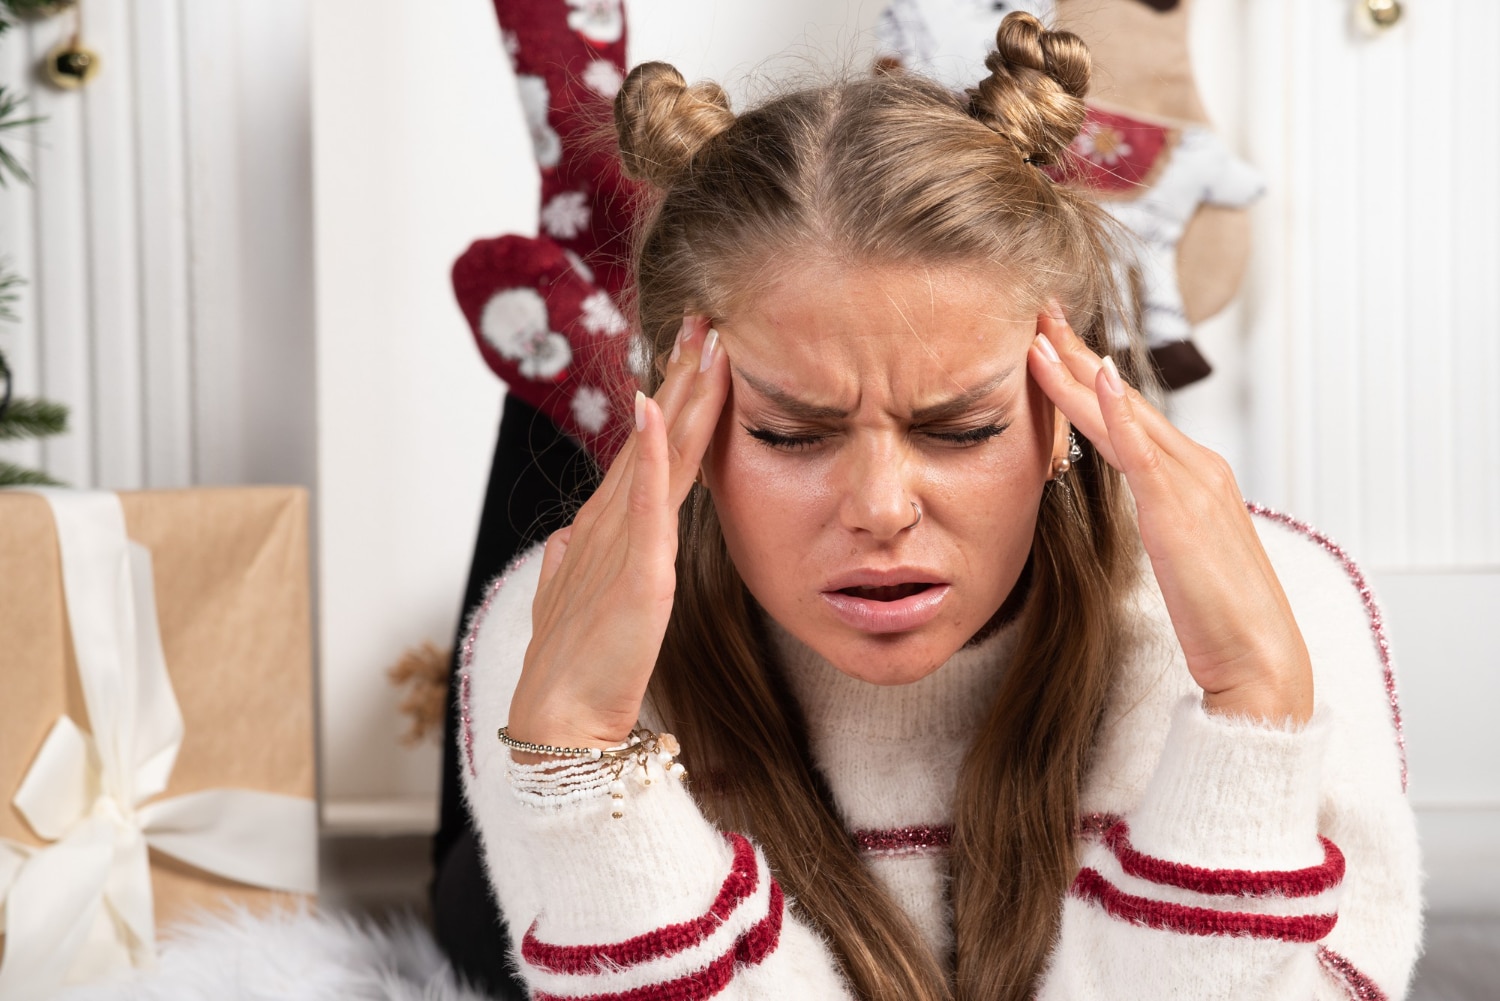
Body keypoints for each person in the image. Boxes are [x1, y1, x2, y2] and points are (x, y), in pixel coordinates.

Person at [457, 13, 1421, 999]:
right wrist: (578, 754)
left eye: (959, 428)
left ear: (1064, 414)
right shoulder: (549, 642)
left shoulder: (1292, 605)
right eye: (793, 434)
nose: (881, 508)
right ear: (689, 422)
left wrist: (1251, 714)